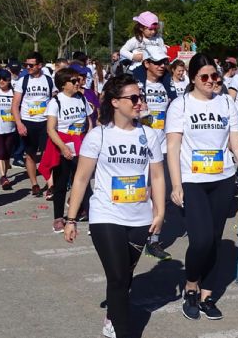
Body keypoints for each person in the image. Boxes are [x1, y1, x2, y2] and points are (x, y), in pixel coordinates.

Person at [63, 74, 165, 338]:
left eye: (140, 97)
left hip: (139, 217)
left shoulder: (149, 135)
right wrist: (71, 219)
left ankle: (113, 314)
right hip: (105, 214)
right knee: (118, 276)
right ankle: (123, 331)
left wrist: (160, 212)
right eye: (133, 98)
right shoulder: (98, 135)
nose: (139, 102)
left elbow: (156, 176)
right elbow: (82, 178)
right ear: (115, 102)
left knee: (126, 275)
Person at [166, 53, 238, 321]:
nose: (211, 81)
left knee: (215, 241)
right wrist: (176, 184)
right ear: (193, 78)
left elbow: (237, 144)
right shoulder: (180, 105)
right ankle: (191, 285)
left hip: (222, 179)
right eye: (204, 77)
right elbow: (172, 146)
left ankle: (207, 295)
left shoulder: (226, 103)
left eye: (215, 76)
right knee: (201, 240)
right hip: (192, 180)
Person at [133, 46, 177, 260]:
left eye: (164, 62)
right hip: (139, 147)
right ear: (146, 64)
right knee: (141, 192)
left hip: (162, 146)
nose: (161, 66)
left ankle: (154, 240)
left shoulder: (167, 85)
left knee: (162, 192)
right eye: (157, 62)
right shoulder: (134, 86)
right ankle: (136, 231)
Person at [40, 68, 94, 233]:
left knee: (83, 181)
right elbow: (50, 129)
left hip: (80, 143)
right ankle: (58, 218)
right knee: (61, 183)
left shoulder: (81, 98)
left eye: (79, 80)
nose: (79, 83)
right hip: (62, 145)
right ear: (64, 85)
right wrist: (63, 148)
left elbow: (88, 120)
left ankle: (91, 216)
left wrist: (90, 139)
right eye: (74, 81)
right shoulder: (55, 102)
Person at [11, 52, 55, 196]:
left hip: (45, 122)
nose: (27, 67)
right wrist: (19, 124)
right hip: (28, 122)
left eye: (31, 65)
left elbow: (55, 100)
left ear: (39, 65)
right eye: (26, 65)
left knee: (46, 154)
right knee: (30, 155)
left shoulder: (49, 80)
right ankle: (34, 184)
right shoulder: (22, 81)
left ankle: (51, 184)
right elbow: (15, 105)